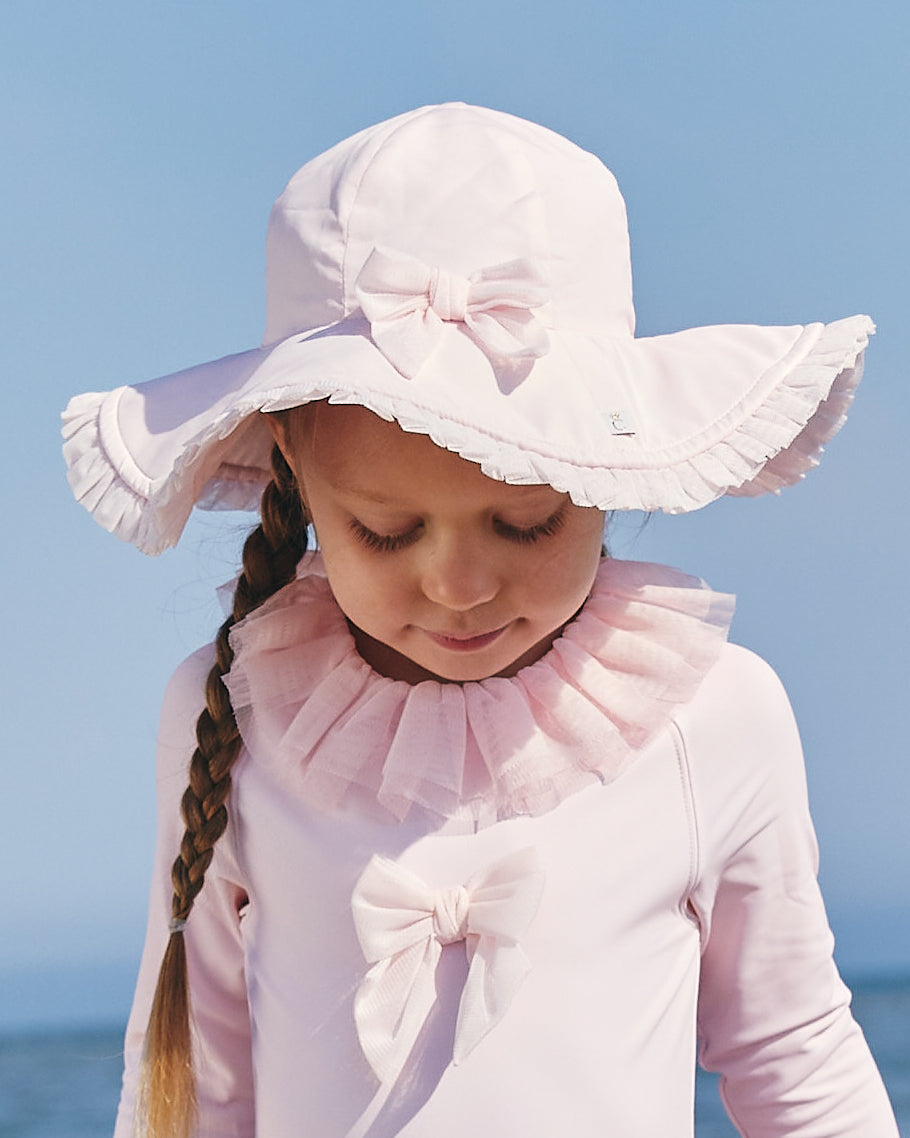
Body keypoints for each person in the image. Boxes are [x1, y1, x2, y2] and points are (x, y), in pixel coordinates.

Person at [62, 103, 898, 1138]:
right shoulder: (230, 710)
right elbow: (192, 1082)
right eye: (386, 531)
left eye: (525, 523)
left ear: (607, 472)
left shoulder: (710, 714)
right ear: (296, 474)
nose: (459, 585)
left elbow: (793, 1055)